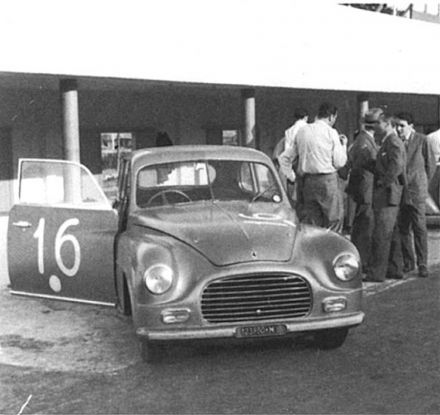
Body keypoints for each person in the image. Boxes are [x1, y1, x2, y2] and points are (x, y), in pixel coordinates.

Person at [279, 102, 347, 231]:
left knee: (311, 223)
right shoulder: (331, 132)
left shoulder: (302, 131)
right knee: (333, 221)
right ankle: (331, 249)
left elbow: (284, 158)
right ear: (332, 117)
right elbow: (339, 162)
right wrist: (343, 146)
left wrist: (291, 176)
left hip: (308, 182)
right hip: (327, 181)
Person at [364, 110, 406, 282]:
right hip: (388, 194)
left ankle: (377, 273)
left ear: (387, 124)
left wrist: (383, 182)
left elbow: (396, 167)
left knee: (381, 235)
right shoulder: (387, 142)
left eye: (376, 123)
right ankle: (395, 268)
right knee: (392, 234)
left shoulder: (393, 142)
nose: (374, 127)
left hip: (388, 195)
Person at [393, 112, 435, 278]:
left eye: (402, 125)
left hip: (417, 190)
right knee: (403, 228)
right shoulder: (396, 141)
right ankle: (408, 262)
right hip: (401, 190)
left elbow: (430, 166)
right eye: (396, 125)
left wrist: (421, 182)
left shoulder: (422, 140)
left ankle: (422, 263)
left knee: (419, 227)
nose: (398, 129)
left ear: (411, 126)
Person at [346, 110, 379, 272]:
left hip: (362, 188)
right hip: (365, 188)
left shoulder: (362, 139)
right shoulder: (364, 142)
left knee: (362, 226)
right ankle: (363, 262)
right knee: (365, 227)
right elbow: (367, 165)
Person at [273, 108, 309, 207]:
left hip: (291, 164)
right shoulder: (308, 128)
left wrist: (290, 175)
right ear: (306, 117)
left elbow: (287, 150)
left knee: (292, 197)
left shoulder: (288, 131)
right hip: (305, 164)